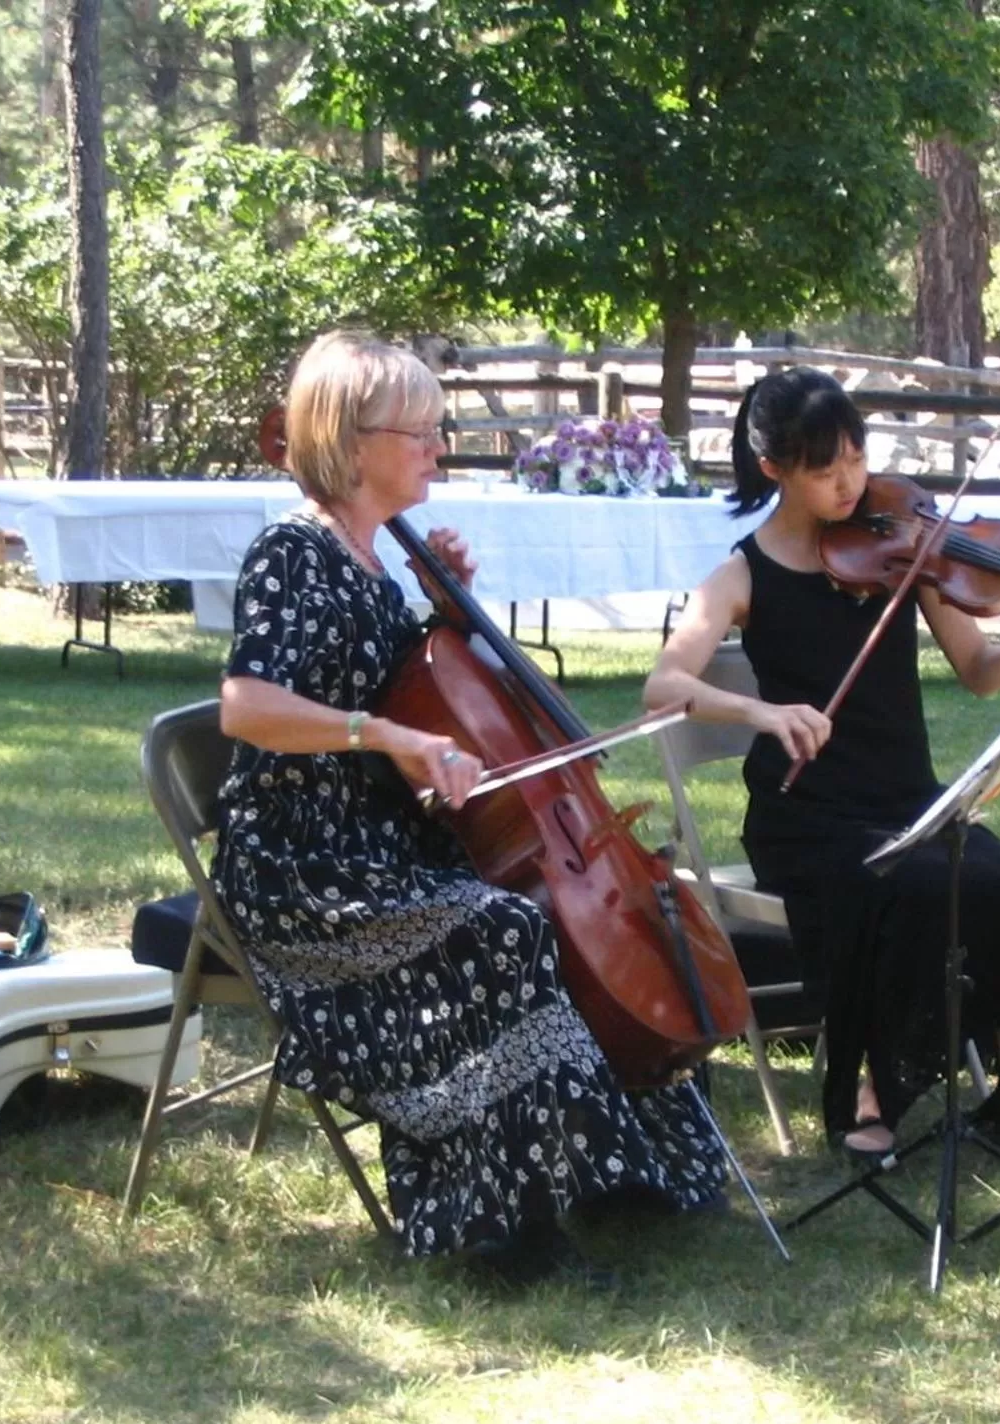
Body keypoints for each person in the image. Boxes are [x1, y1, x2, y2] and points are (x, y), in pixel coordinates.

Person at [211, 331, 725, 1282]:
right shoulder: (292, 550)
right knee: (498, 931)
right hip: (304, 869)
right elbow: (248, 707)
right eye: (421, 432)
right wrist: (391, 738)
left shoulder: (370, 564)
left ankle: (623, 1169)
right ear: (354, 440)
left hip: (385, 846)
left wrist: (448, 615)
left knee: (527, 919)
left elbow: (419, 687)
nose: (437, 449)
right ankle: (502, 1224)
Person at [644, 367, 1000, 1163]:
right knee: (904, 888)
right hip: (807, 818)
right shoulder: (742, 574)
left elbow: (980, 671)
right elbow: (664, 685)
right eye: (826, 470)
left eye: (857, 457)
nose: (851, 482)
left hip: (909, 801)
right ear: (776, 468)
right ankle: (871, 1092)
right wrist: (761, 711)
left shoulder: (899, 548)